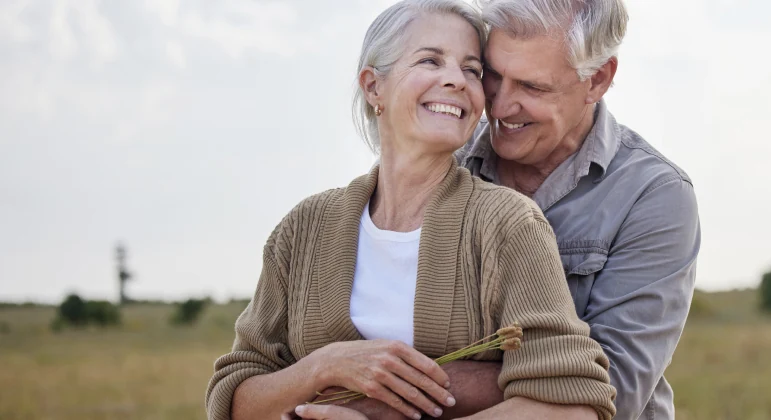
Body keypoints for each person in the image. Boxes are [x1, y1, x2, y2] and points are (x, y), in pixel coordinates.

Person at [204, 1, 617, 420]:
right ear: (372, 86)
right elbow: (236, 400)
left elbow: (573, 406)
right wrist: (323, 365)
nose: (456, 80)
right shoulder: (303, 230)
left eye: (472, 70)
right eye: (430, 60)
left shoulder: (508, 224)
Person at [445, 0, 703, 419]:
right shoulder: (444, 160)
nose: (500, 106)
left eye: (532, 87)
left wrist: (426, 384)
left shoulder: (653, 194)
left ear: (597, 80)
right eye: (492, 73)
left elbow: (612, 389)